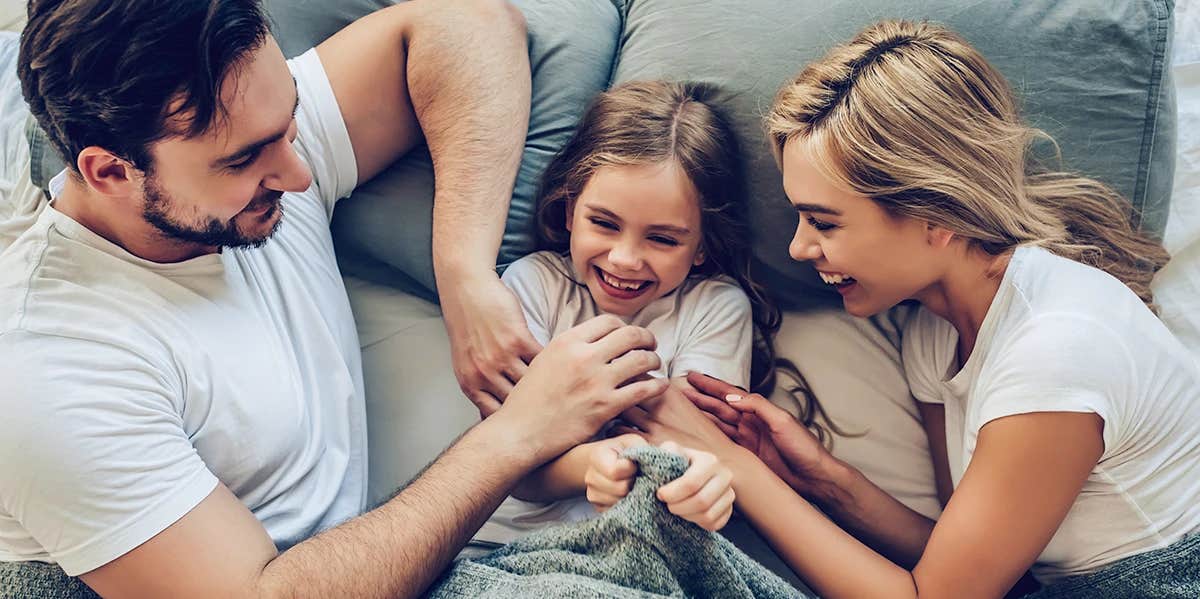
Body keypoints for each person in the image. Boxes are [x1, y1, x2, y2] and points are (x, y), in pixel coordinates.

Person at [0, 1, 669, 597]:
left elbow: (467, 22)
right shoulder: (50, 365)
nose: (297, 174)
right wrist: (518, 432)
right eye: (245, 161)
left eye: (291, 119)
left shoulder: (243, 125)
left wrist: (463, 269)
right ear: (109, 171)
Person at [620, 19, 1200, 598]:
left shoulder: (1056, 349)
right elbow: (962, 559)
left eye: (823, 221)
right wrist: (820, 480)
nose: (798, 248)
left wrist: (730, 466)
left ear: (936, 217)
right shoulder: (933, 330)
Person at [473, 80, 824, 545]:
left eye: (662, 239)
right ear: (569, 211)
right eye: (603, 223)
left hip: (644, 548)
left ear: (701, 247)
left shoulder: (713, 308)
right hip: (505, 548)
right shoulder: (532, 285)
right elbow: (513, 463)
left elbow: (695, 447)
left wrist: (692, 479)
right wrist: (593, 464)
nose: (624, 259)